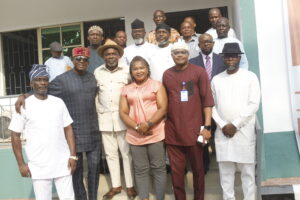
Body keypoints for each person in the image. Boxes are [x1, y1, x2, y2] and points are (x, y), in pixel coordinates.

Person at [15, 47, 101, 200]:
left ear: (88, 62)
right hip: (75, 134)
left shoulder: (93, 78)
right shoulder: (62, 80)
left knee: (94, 171)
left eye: (85, 59)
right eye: (78, 58)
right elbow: (43, 87)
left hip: (93, 133)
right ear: (72, 60)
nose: (81, 61)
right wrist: (25, 95)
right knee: (76, 174)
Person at [10, 64, 77, 200]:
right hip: (38, 165)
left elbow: (68, 129)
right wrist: (21, 164)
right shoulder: (24, 105)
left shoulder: (58, 102)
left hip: (62, 162)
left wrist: (73, 156)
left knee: (68, 198)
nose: (42, 83)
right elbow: (15, 136)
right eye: (38, 79)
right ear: (31, 83)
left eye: (45, 79)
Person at [163, 41, 214, 200]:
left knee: (198, 171)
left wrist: (207, 127)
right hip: (173, 132)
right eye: (176, 52)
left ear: (188, 54)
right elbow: (164, 102)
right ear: (172, 55)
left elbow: (207, 101)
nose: (179, 55)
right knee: (176, 174)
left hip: (195, 131)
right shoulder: (167, 74)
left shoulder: (199, 72)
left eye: (182, 52)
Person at [211, 43, 260, 200]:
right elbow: (211, 106)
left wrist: (235, 124)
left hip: (244, 132)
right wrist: (223, 125)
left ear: (239, 58)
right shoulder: (216, 79)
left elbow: (254, 104)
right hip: (223, 132)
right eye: (227, 56)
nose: (230, 59)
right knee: (226, 174)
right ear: (223, 59)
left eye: (233, 56)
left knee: (247, 172)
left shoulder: (250, 77)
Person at [120, 56, 167, 200]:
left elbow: (163, 107)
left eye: (142, 68)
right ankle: (144, 197)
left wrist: (148, 124)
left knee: (158, 168)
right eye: (135, 68)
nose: (139, 71)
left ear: (147, 69)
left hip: (155, 132)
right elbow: (123, 112)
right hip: (135, 135)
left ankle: (159, 197)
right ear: (131, 71)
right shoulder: (126, 89)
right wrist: (137, 127)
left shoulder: (157, 85)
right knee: (140, 170)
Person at [94, 39, 137, 199]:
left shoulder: (127, 71)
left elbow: (133, 92)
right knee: (110, 155)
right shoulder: (97, 72)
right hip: (104, 119)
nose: (110, 56)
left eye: (113, 53)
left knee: (126, 154)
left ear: (119, 55)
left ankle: (130, 186)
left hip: (123, 119)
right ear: (103, 56)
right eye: (107, 54)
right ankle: (116, 186)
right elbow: (96, 94)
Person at [189, 33, 226, 174]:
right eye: (203, 42)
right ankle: (204, 165)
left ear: (213, 43)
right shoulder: (192, 62)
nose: (206, 44)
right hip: (201, 106)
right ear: (198, 45)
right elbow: (191, 86)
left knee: (219, 134)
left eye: (209, 42)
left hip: (219, 104)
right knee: (202, 134)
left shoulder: (222, 60)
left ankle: (221, 161)